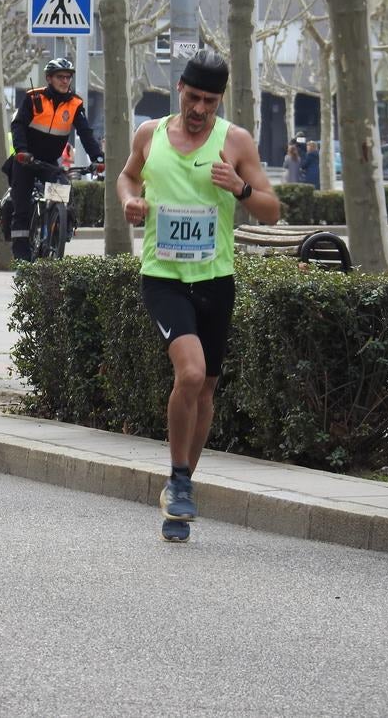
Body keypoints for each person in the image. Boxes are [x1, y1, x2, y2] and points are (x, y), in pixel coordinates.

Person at [116, 50, 280, 543]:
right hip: (163, 276)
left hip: (215, 280)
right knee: (188, 372)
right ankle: (178, 474)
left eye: (210, 101)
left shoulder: (236, 141)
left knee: (205, 388)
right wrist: (131, 201)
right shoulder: (151, 135)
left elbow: (272, 210)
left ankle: (181, 486)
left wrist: (242, 188)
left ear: (219, 99)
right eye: (193, 98)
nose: (200, 109)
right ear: (180, 89)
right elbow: (127, 175)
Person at [8, 57, 102, 261]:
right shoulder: (34, 98)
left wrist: (97, 157)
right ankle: (21, 254)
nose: (65, 81)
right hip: (26, 160)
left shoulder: (75, 103)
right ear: (49, 78)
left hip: (50, 163)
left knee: (63, 196)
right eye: (60, 77)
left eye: (68, 77)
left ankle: (57, 234)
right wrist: (22, 150)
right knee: (21, 208)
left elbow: (85, 133)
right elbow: (18, 126)